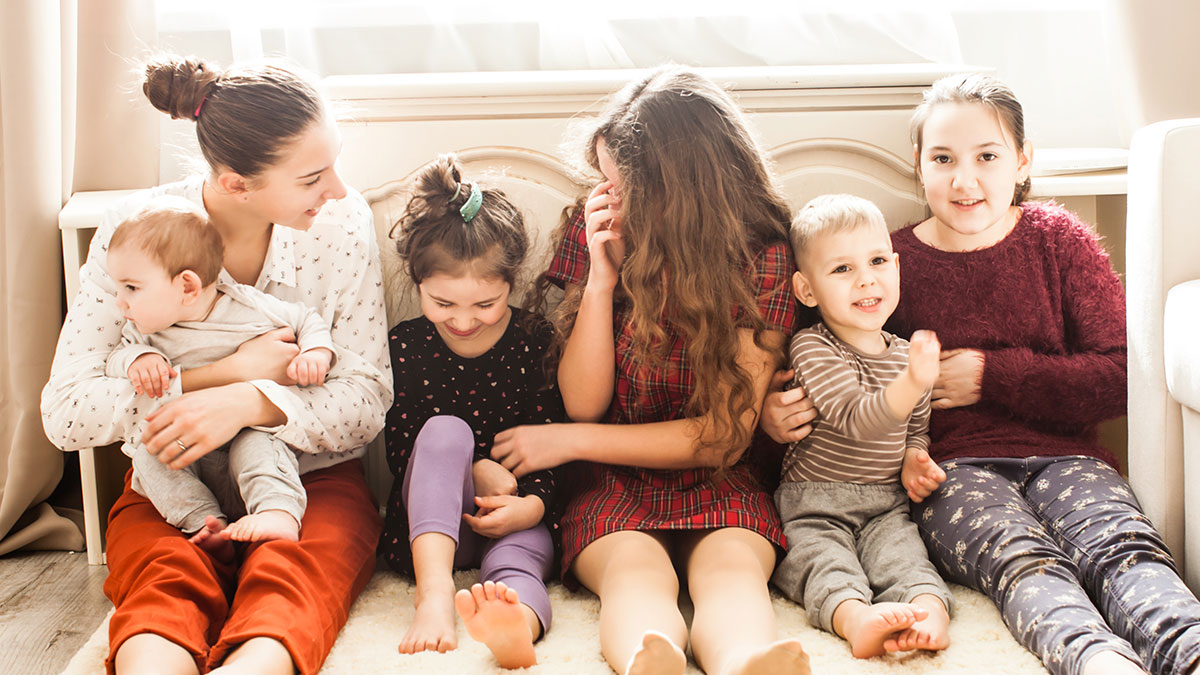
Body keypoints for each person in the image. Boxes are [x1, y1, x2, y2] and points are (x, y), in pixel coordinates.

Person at [762, 73, 1200, 675]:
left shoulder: (1060, 243)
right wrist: (773, 410)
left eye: (987, 157)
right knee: (1021, 561)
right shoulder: (883, 263)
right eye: (943, 158)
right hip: (954, 473)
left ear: (1021, 162)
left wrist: (993, 375)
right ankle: (1095, 659)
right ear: (919, 165)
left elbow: (1122, 376)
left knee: (1120, 544)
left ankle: (1188, 651)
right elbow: (828, 356)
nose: (964, 180)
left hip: (1068, 460)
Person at [40, 55, 391, 675]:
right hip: (175, 474)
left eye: (333, 164)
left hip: (311, 477)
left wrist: (249, 404)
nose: (336, 188)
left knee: (293, 578)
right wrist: (215, 380)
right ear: (236, 184)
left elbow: (366, 398)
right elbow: (66, 415)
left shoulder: (342, 224)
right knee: (163, 581)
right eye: (312, 177)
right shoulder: (134, 230)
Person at [489, 66, 811, 675]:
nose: (604, 196)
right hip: (611, 482)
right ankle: (649, 657)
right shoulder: (596, 232)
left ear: (678, 190)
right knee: (634, 571)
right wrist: (600, 282)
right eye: (601, 178)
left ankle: (746, 660)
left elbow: (720, 436)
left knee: (733, 569)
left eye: (618, 182)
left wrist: (566, 441)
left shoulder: (763, 257)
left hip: (720, 476)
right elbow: (583, 402)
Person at [379, 155, 563, 669]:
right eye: (443, 303)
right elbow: (400, 449)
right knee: (443, 430)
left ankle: (516, 626)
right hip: (431, 531)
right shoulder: (407, 345)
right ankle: (434, 597)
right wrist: (475, 466)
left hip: (515, 516)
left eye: (485, 304)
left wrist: (534, 507)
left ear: (512, 281)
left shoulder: (534, 341)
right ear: (417, 283)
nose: (463, 320)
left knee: (519, 564)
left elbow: (552, 435)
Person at [773, 193, 952, 658]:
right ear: (807, 290)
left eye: (876, 261)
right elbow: (857, 419)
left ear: (896, 266)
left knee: (908, 559)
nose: (866, 279)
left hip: (886, 503)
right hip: (814, 500)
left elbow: (915, 426)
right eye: (842, 269)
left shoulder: (904, 354)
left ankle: (929, 611)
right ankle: (855, 619)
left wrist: (915, 457)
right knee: (819, 563)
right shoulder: (813, 347)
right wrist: (915, 380)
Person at [106, 196, 337, 544]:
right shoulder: (143, 332)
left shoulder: (248, 306)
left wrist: (317, 353)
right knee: (148, 454)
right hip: (188, 456)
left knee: (258, 443)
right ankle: (203, 523)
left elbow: (306, 319)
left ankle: (276, 513)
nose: (119, 302)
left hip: (246, 439)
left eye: (131, 288)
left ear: (187, 286)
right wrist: (138, 360)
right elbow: (116, 359)